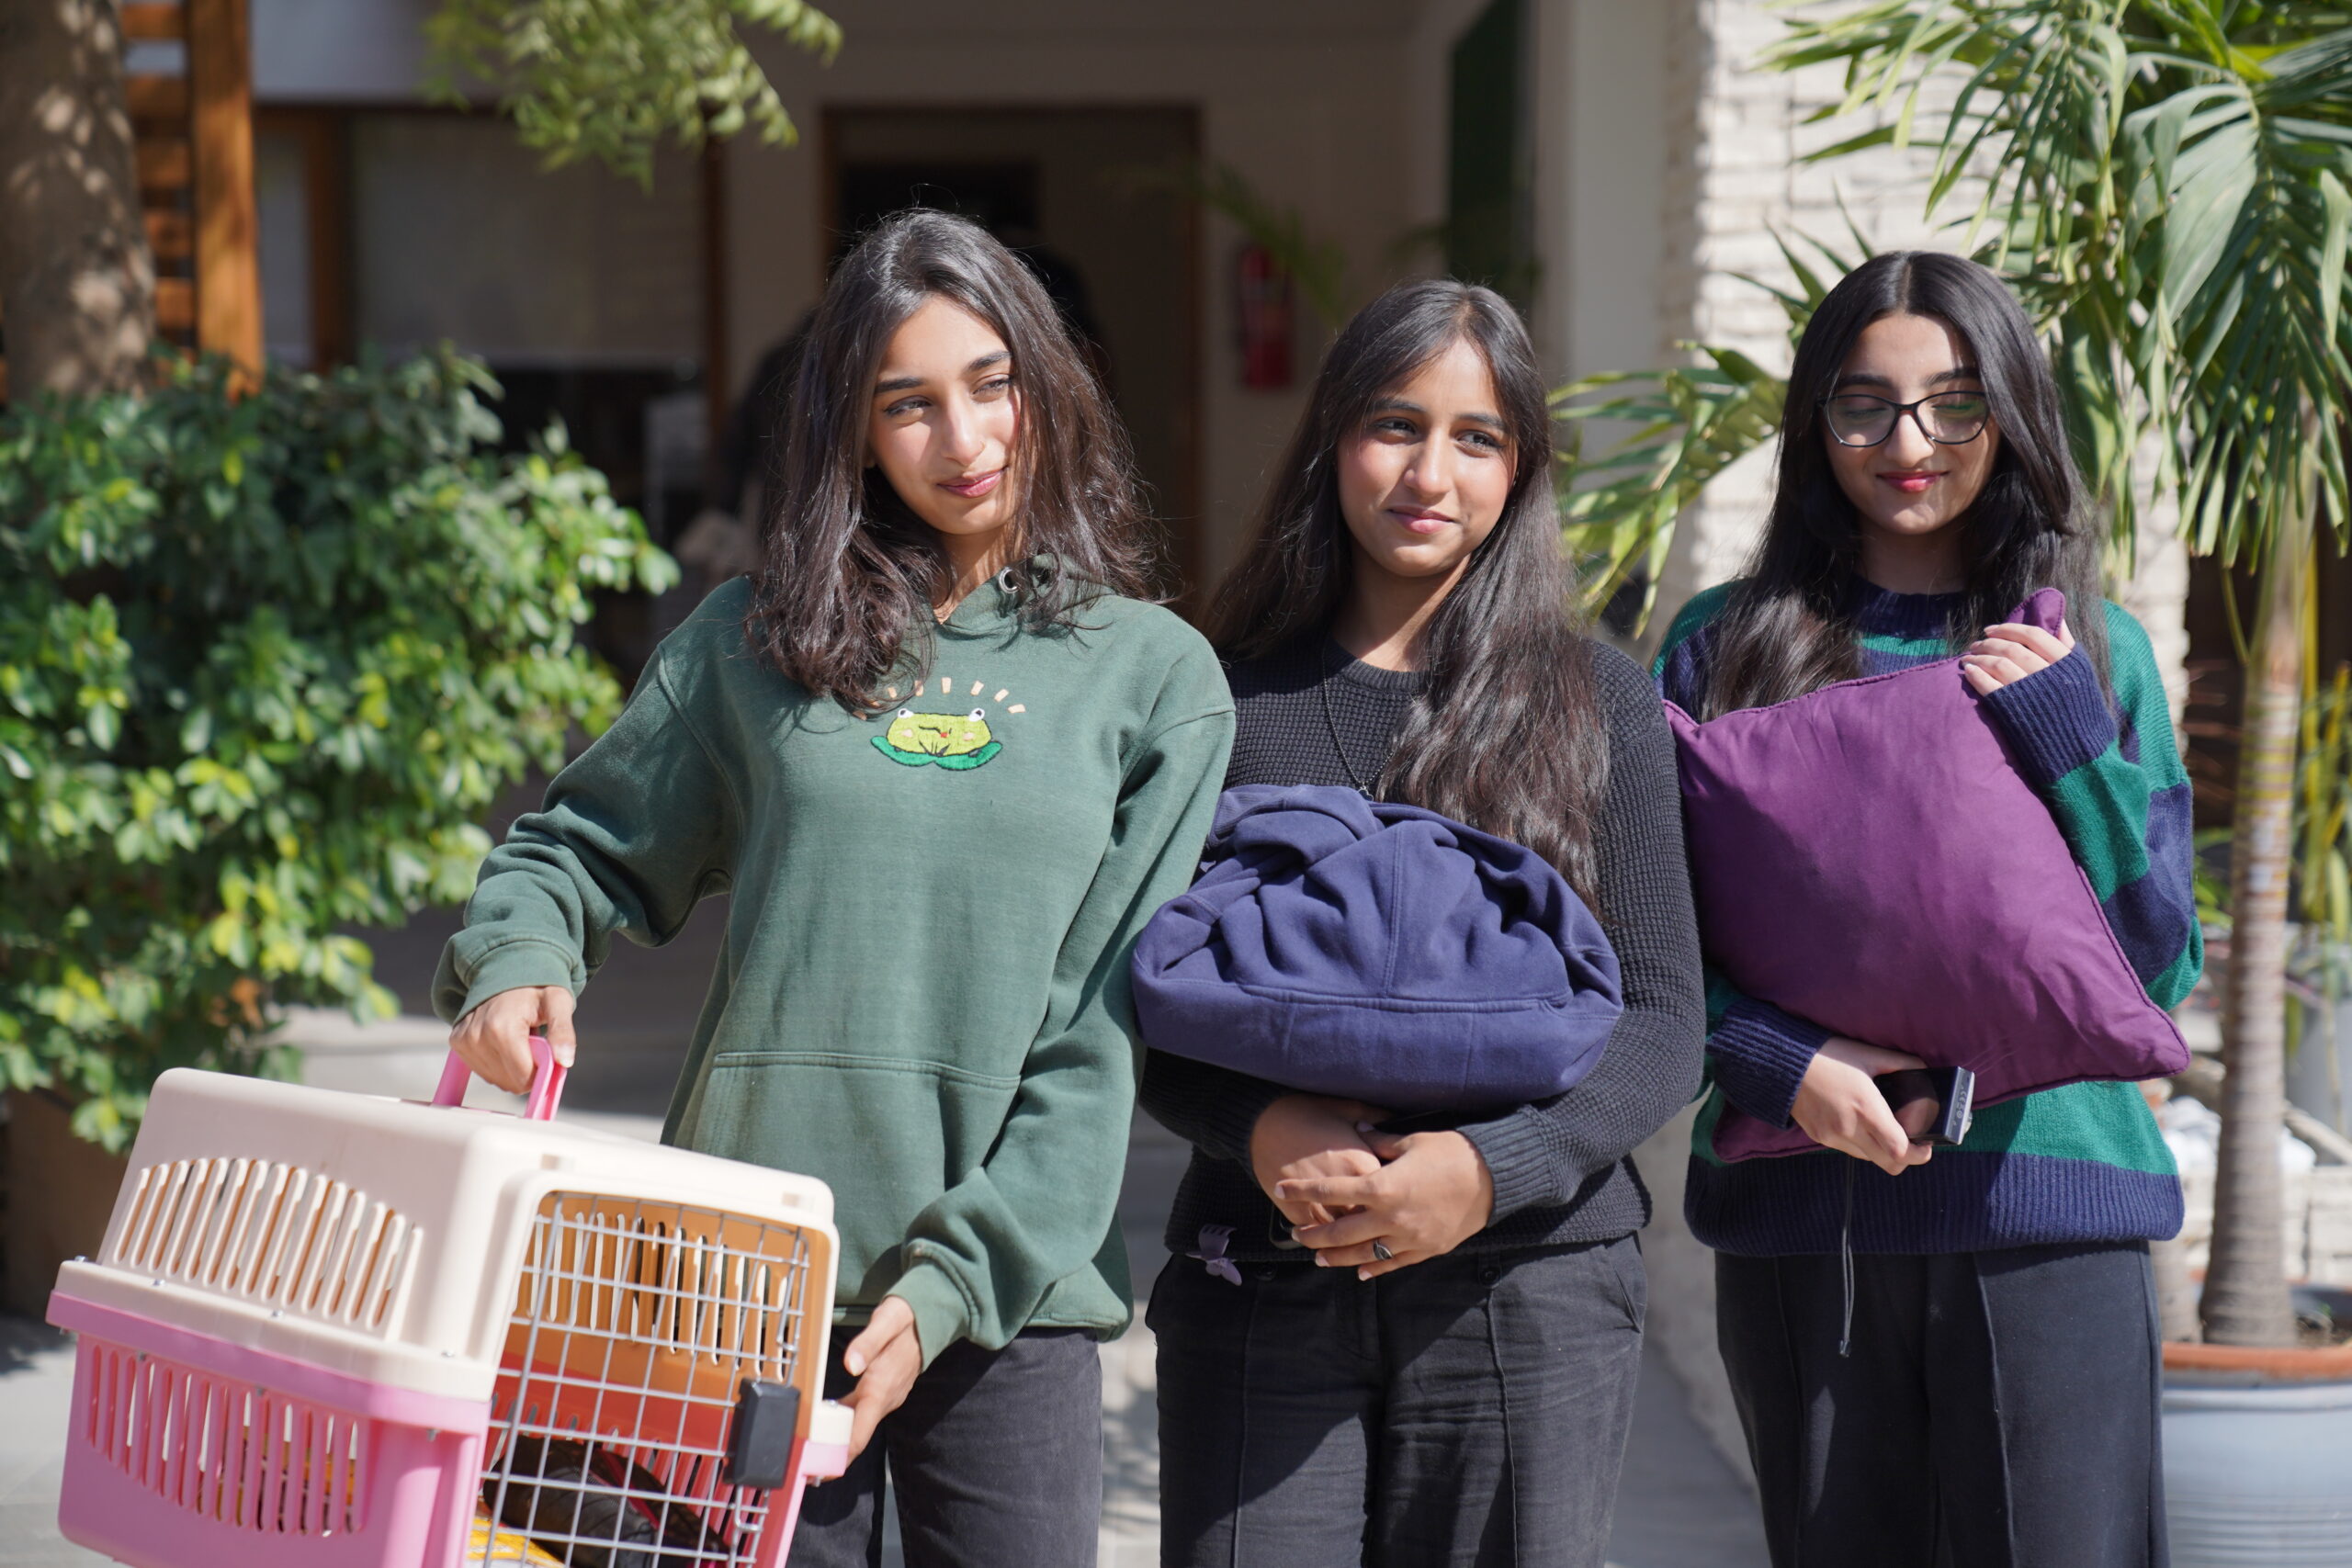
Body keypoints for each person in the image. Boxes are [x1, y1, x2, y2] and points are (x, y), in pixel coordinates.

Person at [433, 209, 1235, 1568]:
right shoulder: (751, 642)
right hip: (740, 1280)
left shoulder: (1155, 677)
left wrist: (956, 1280)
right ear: (855, 432)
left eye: (992, 384)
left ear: (1049, 386)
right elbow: (577, 848)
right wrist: (520, 957)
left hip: (1007, 1298)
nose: (964, 439)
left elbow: (1098, 1038)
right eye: (907, 404)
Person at [1138, 278, 1706, 1568]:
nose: (1429, 474)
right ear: (1332, 436)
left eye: (1477, 438)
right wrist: (1260, 1127)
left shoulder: (1599, 701)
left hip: (1532, 1287)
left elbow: (1667, 1019)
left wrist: (1490, 1171)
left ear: (1522, 468)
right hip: (1262, 1269)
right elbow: (1131, 985)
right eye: (1395, 424)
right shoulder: (1213, 698)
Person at [1656, 250, 2199, 1568]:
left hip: (2050, 1215)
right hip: (1806, 1224)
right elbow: (1646, 946)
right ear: (1816, 422)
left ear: (2012, 416)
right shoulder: (1723, 645)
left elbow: (2159, 966)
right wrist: (1780, 1063)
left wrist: (2069, 739)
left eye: (1956, 404)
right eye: (1866, 405)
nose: (1910, 444)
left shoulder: (2095, 650)